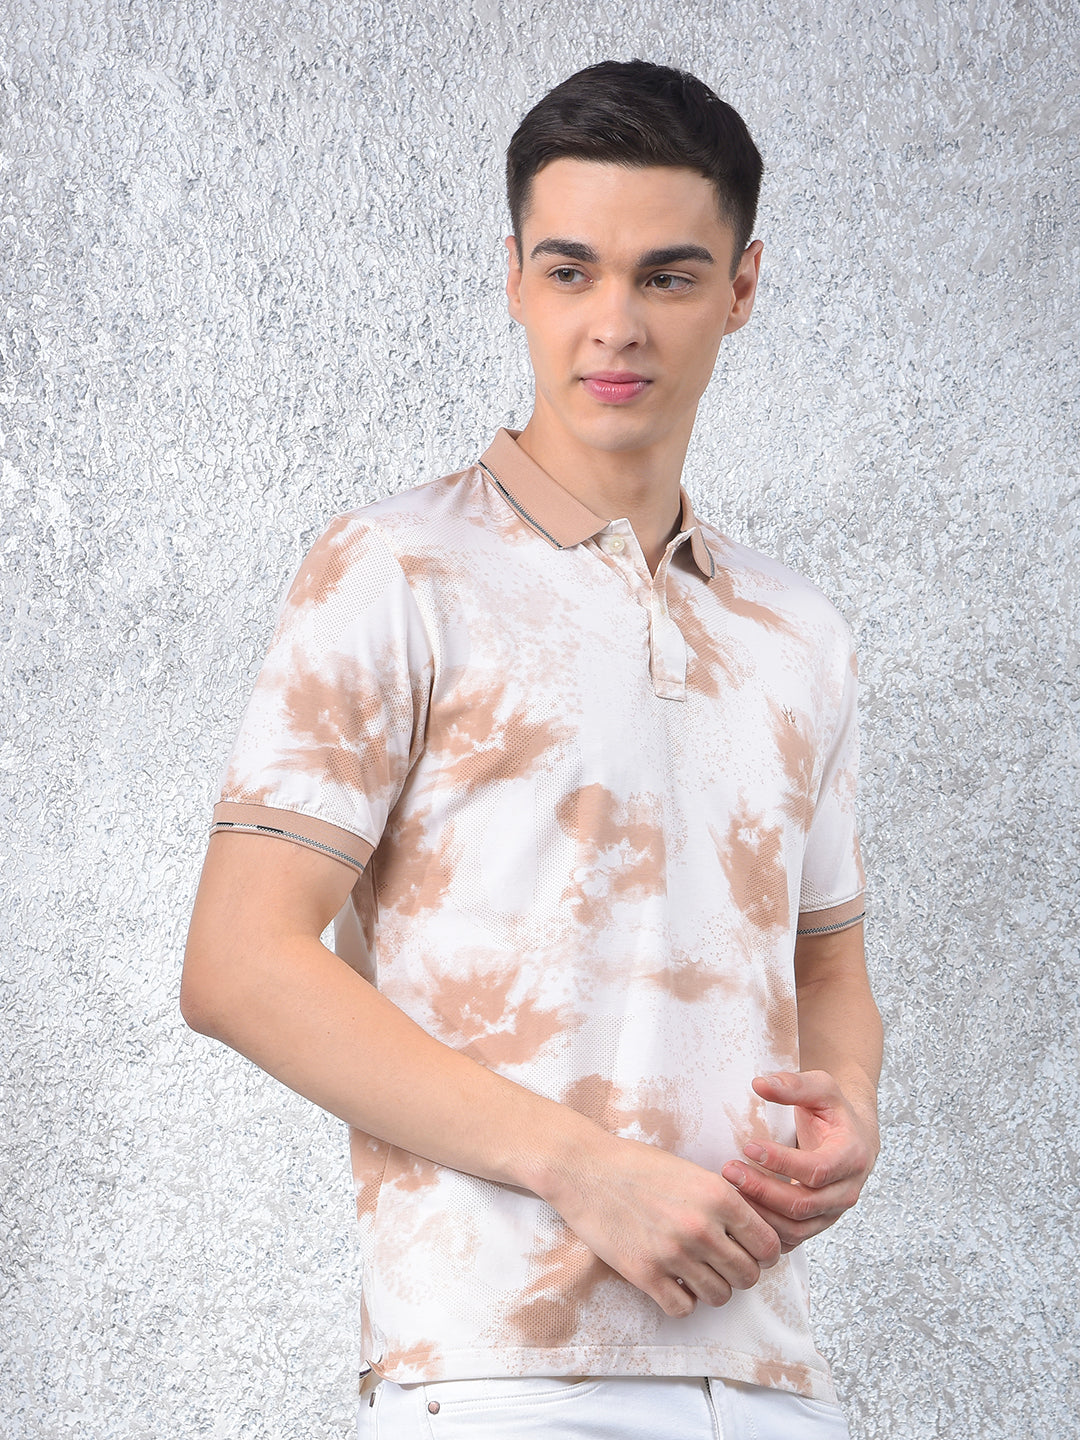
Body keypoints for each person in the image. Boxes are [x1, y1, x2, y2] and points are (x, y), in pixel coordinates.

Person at [181, 58, 882, 1440]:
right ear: (514, 278)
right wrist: (583, 1169)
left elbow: (828, 964)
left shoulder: (798, 631)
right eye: (571, 271)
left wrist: (850, 1107)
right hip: (498, 1368)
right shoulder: (396, 568)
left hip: (764, 1373)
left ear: (743, 287)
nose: (614, 324)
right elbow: (237, 965)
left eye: (668, 276)